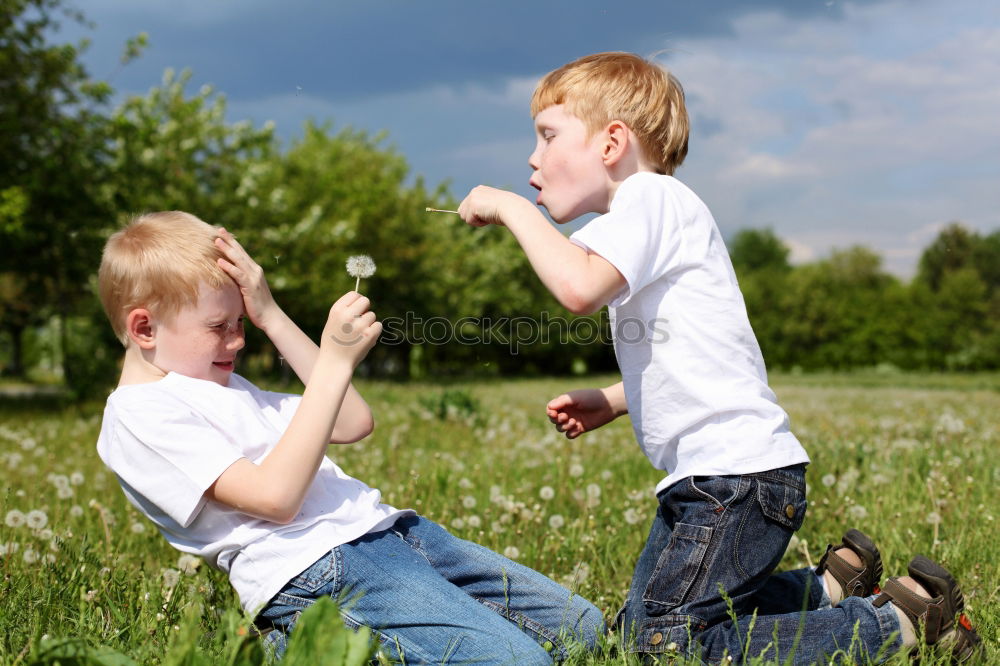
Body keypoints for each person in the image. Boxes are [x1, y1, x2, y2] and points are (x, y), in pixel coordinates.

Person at [456, 52, 981, 663]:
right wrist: (614, 400)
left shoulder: (649, 200)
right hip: (714, 483)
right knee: (639, 632)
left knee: (665, 646)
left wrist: (511, 208)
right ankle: (831, 588)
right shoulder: (651, 216)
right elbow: (697, 357)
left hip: (733, 483)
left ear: (611, 143)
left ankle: (903, 623)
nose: (532, 158)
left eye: (548, 136)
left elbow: (576, 288)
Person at [95, 211, 604, 663]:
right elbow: (275, 500)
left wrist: (270, 312)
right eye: (219, 326)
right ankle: (300, 642)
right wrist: (335, 360)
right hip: (316, 571)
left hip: (394, 535)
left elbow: (350, 421)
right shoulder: (140, 416)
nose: (238, 338)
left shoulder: (221, 383)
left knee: (585, 630)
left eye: (240, 320)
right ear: (144, 329)